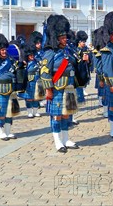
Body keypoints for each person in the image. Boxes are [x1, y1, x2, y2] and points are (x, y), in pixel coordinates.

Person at [39, 15, 80, 151]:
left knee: (66, 114)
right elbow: (45, 72)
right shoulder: (50, 52)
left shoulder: (67, 51)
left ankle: (66, 138)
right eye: (62, 38)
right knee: (56, 115)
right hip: (56, 87)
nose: (65, 40)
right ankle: (57, 141)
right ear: (56, 38)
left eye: (65, 37)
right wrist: (48, 89)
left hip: (68, 87)